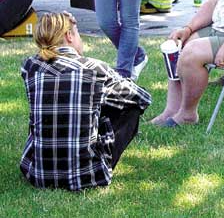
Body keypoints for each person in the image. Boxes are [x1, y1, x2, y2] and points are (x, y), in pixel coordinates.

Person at [20, 12, 151, 191]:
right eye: (78, 33)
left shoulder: (30, 67)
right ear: (69, 35)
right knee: (130, 107)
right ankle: (100, 162)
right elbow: (142, 98)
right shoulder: (95, 69)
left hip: (37, 174)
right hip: (86, 177)